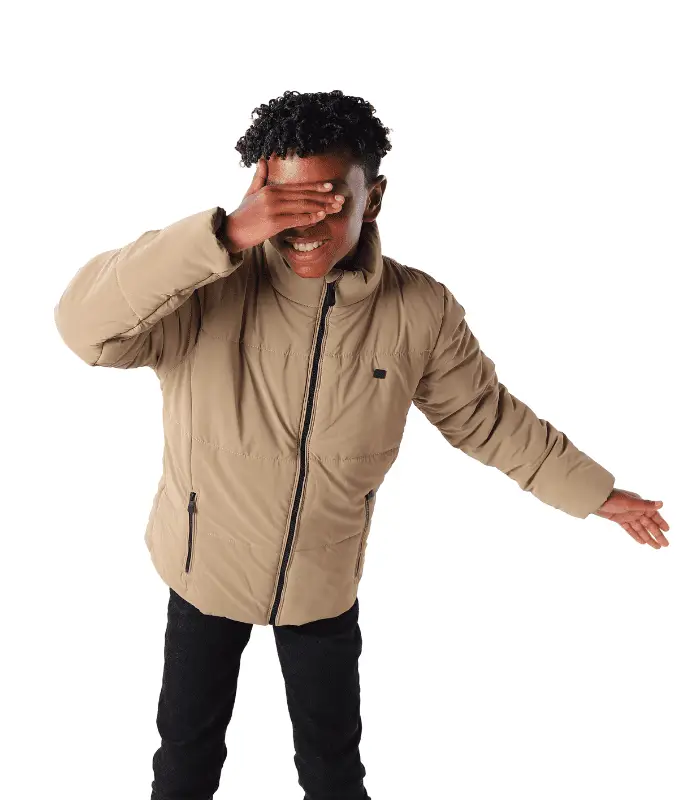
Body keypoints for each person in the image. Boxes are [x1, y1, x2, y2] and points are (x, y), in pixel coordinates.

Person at [53, 89, 670, 800]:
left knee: (334, 771)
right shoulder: (203, 287)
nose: (304, 224)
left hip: (323, 579)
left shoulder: (419, 310)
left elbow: (485, 417)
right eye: (284, 203)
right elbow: (84, 329)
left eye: (327, 201)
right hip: (203, 570)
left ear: (372, 198)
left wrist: (597, 493)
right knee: (185, 765)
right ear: (256, 193)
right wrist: (223, 234)